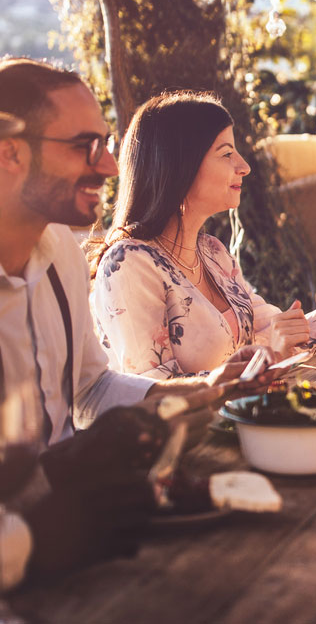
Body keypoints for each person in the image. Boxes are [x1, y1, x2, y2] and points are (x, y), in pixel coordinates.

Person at [0, 58, 265, 445]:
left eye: (105, 144)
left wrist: (210, 387)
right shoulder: (127, 261)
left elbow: (91, 391)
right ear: (10, 154)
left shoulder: (62, 256)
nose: (109, 166)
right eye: (83, 147)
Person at [88, 91, 316, 378]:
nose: (244, 165)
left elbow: (288, 334)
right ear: (179, 167)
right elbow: (154, 394)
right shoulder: (129, 265)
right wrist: (266, 359)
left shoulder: (212, 254)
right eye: (226, 153)